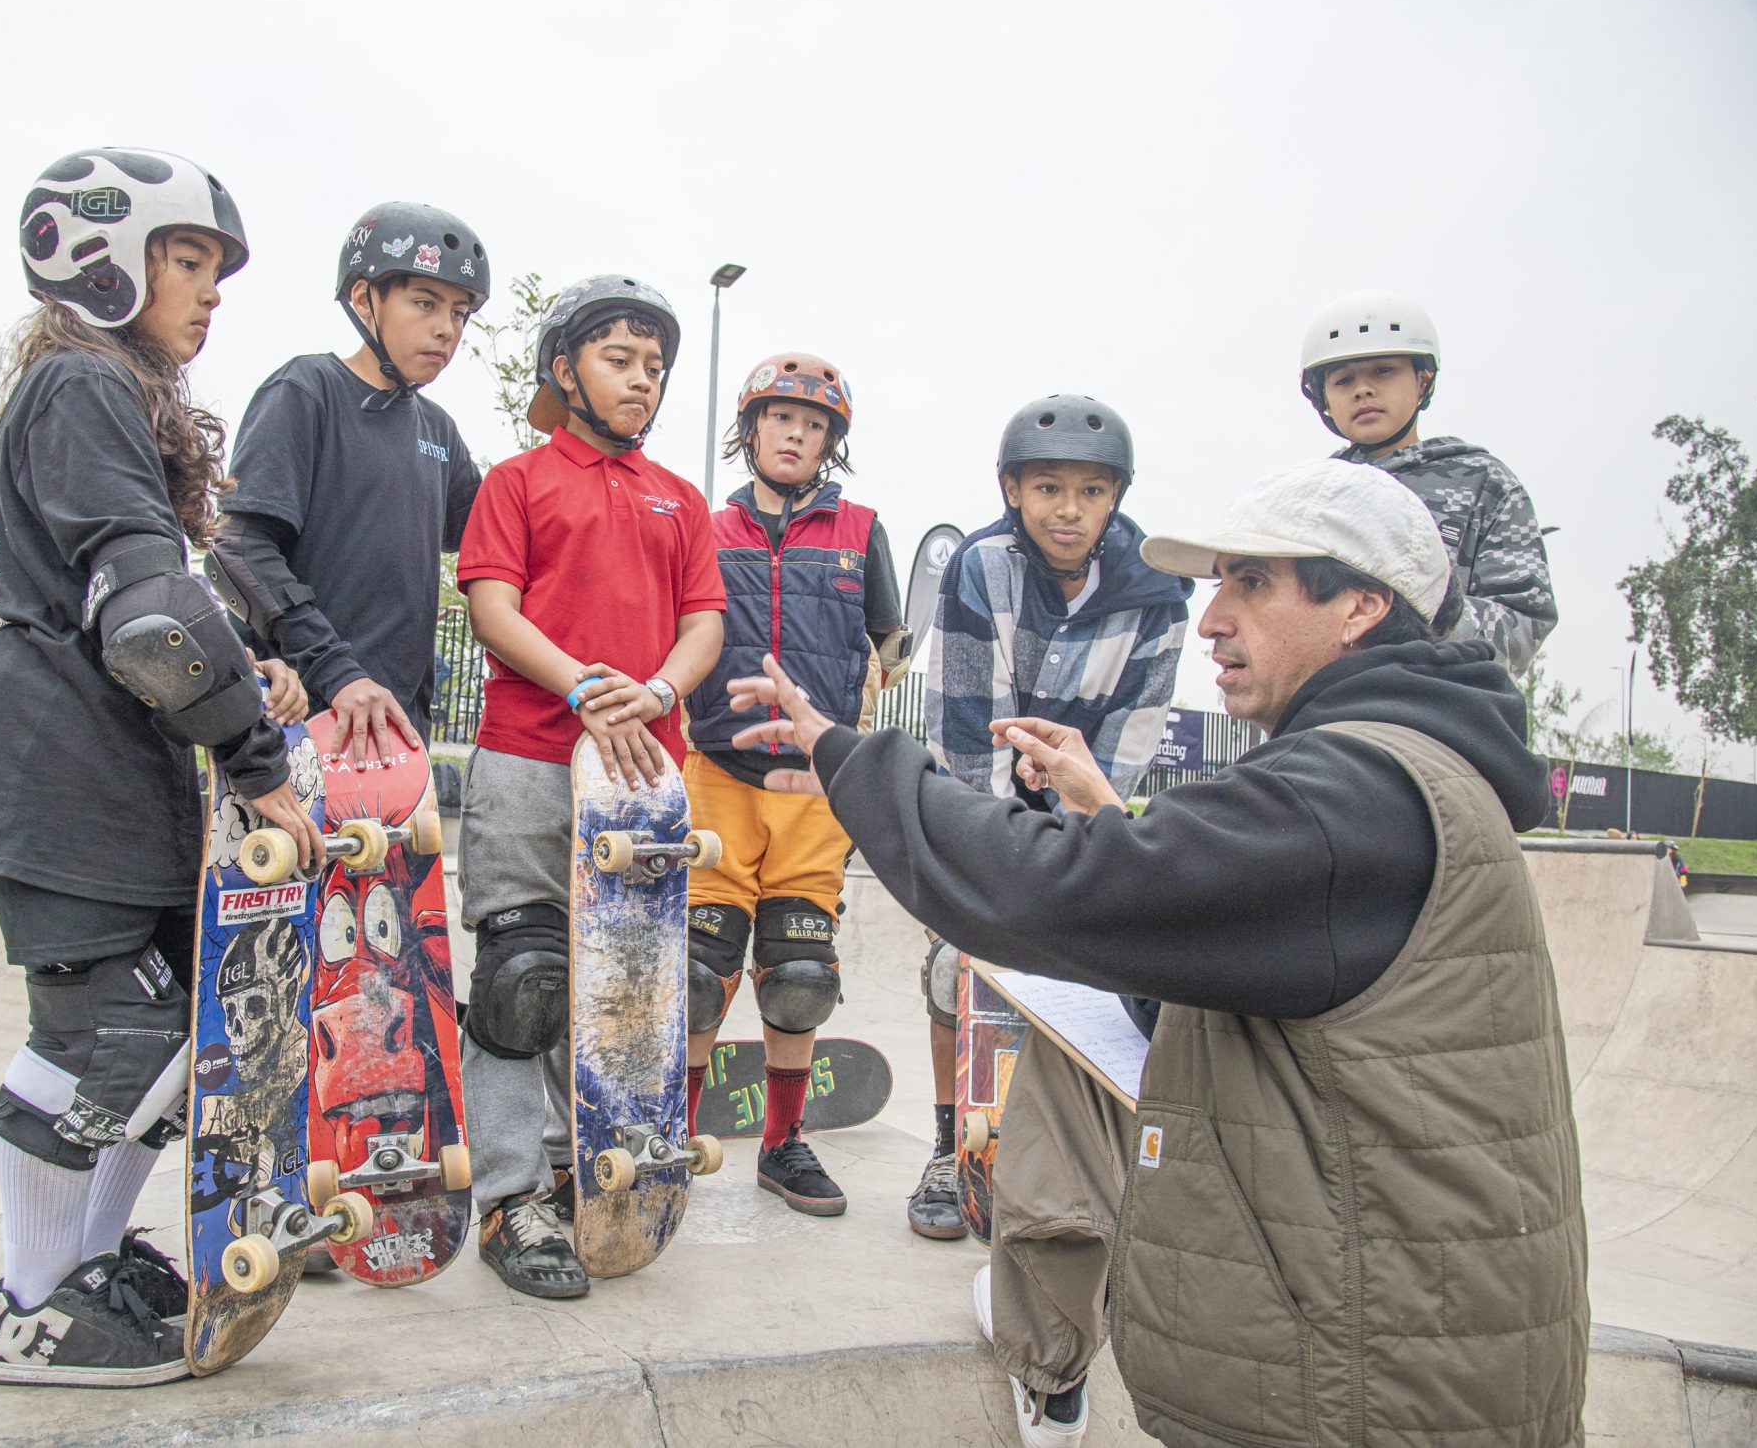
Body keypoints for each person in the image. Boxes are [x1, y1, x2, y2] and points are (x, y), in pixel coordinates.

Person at [727, 458, 1588, 1448]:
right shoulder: (1403, 769)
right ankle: (1048, 1325)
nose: (1212, 618)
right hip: (1391, 1358)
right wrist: (1107, 814)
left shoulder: (1353, 792)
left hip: (1370, 1393)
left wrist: (852, 757)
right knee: (1081, 1026)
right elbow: (1211, 931)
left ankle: (1046, 1347)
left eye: (1251, 582)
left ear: (1359, 605)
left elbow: (1046, 888)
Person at [0, 148, 322, 1389]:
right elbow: (146, 618)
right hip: (56, 763)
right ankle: (29, 1303)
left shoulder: (108, 394)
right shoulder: (81, 381)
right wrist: (256, 758)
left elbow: (151, 598)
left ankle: (87, 1264)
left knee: (165, 1042)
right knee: (104, 1036)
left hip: (106, 765)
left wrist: (246, 662)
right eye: (187, 259)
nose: (211, 290)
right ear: (101, 263)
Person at [452, 274, 725, 1298]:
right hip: (530, 753)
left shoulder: (679, 498)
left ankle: (587, 1168)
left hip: (643, 774)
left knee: (623, 987)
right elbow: (493, 607)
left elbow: (703, 620)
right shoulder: (517, 481)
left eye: (654, 365)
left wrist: (656, 692)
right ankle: (510, 1196)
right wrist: (584, 686)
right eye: (619, 359)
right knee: (521, 980)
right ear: (564, 370)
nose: (642, 379)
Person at [906, 396, 1192, 1242]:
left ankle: (1066, 1159)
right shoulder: (982, 567)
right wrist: (998, 868)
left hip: (1082, 800)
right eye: (1048, 489)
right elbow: (967, 726)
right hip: (983, 791)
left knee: (1088, 974)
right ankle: (949, 1148)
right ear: (1012, 490)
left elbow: (1131, 739)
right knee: (958, 965)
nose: (1069, 510)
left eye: (1091, 492)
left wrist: (1077, 840)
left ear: (1116, 497)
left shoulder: (1157, 591)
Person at [679, 352, 907, 1217]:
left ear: (829, 444)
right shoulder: (706, 528)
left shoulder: (862, 532)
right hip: (719, 773)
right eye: (781, 418)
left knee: (801, 971)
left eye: (814, 425)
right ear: (751, 430)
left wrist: (854, 728)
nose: (796, 434)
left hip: (814, 787)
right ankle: (671, 1139)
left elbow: (887, 645)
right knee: (699, 972)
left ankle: (782, 1143)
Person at [207, 201, 487, 762]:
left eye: (460, 313)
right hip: (299, 721)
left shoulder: (438, 429)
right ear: (364, 299)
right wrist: (337, 672)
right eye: (425, 303)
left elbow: (500, 541)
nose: (446, 329)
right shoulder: (306, 390)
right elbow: (238, 550)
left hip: (397, 729)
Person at [1300, 289, 1557, 672]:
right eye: (1343, 380)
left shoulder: (1485, 485)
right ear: (1323, 397)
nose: (1362, 389)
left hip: (1436, 700)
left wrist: (1426, 609)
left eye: (1383, 370)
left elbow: (1524, 627)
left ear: (1423, 380)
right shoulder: (1307, 497)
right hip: (1327, 700)